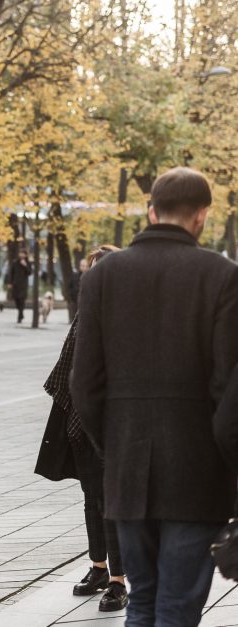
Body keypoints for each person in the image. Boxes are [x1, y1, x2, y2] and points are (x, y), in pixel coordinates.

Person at [72, 167, 238, 627]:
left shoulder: (103, 277)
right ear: (202, 216)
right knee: (178, 608)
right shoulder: (223, 277)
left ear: (151, 211)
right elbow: (230, 391)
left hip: (127, 472)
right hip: (196, 473)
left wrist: (115, 445)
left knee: (142, 601)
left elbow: (83, 384)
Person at [34, 244, 127, 613]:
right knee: (92, 499)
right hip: (81, 420)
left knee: (111, 503)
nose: (89, 277)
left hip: (113, 423)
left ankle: (120, 580)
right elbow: (69, 367)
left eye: (95, 271)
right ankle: (99, 568)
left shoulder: (127, 317)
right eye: (88, 271)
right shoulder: (87, 313)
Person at [5, 249, 32, 323]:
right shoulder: (15, 262)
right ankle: (21, 312)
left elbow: (29, 272)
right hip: (16, 284)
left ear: (26, 255)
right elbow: (11, 273)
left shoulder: (28, 263)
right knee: (17, 300)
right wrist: (10, 283)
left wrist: (25, 265)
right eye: (21, 253)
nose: (22, 255)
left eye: (23, 253)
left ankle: (20, 316)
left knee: (22, 300)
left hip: (23, 285)